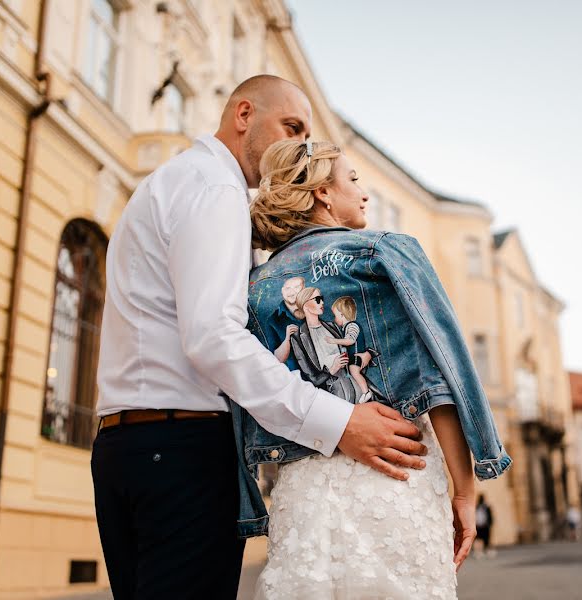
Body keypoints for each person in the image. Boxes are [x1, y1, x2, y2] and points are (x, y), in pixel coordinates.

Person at [91, 75, 428, 600]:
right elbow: (211, 336)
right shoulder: (217, 187)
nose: (296, 147)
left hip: (125, 447)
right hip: (183, 452)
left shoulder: (167, 181)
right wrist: (337, 422)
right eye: (290, 127)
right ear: (243, 115)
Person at [236, 139, 512, 599]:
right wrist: (465, 488)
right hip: (398, 472)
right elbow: (437, 376)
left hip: (302, 495)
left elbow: (251, 393)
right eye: (354, 180)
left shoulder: (255, 288)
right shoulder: (385, 251)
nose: (364, 194)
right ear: (323, 192)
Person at [326, 295, 377, 402]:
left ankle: (366, 392)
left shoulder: (352, 325)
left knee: (355, 372)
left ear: (342, 314)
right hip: (353, 356)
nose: (334, 319)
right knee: (354, 372)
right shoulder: (347, 327)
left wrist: (333, 340)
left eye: (335, 316)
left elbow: (350, 340)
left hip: (356, 355)